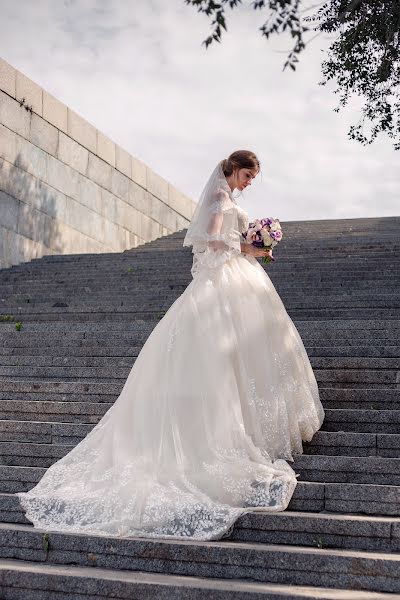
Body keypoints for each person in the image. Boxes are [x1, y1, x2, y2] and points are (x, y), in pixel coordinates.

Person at [16, 150, 325, 541]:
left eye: (252, 178)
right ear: (232, 169)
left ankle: (252, 423)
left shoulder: (227, 200)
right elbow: (213, 243)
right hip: (223, 281)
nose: (249, 183)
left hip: (239, 281)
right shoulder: (217, 199)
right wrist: (250, 248)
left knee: (246, 353)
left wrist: (251, 244)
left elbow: (224, 237)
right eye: (247, 175)